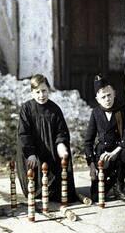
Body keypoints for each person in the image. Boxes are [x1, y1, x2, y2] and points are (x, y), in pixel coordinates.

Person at [16, 74, 78, 203]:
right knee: (34, 188)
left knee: (60, 191)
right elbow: (23, 134)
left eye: (44, 91)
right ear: (32, 93)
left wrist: (61, 144)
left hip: (51, 150)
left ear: (48, 90)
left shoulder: (54, 109)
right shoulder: (26, 109)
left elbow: (61, 131)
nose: (41, 95)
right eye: (37, 92)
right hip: (34, 152)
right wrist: (30, 153)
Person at [84, 74, 125, 203]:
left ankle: (119, 186)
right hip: (102, 154)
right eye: (103, 97)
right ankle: (113, 180)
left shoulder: (123, 109)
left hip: (118, 151)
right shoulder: (95, 113)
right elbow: (88, 141)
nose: (107, 99)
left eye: (109, 95)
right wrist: (91, 164)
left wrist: (114, 153)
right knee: (96, 196)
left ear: (114, 93)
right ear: (97, 99)